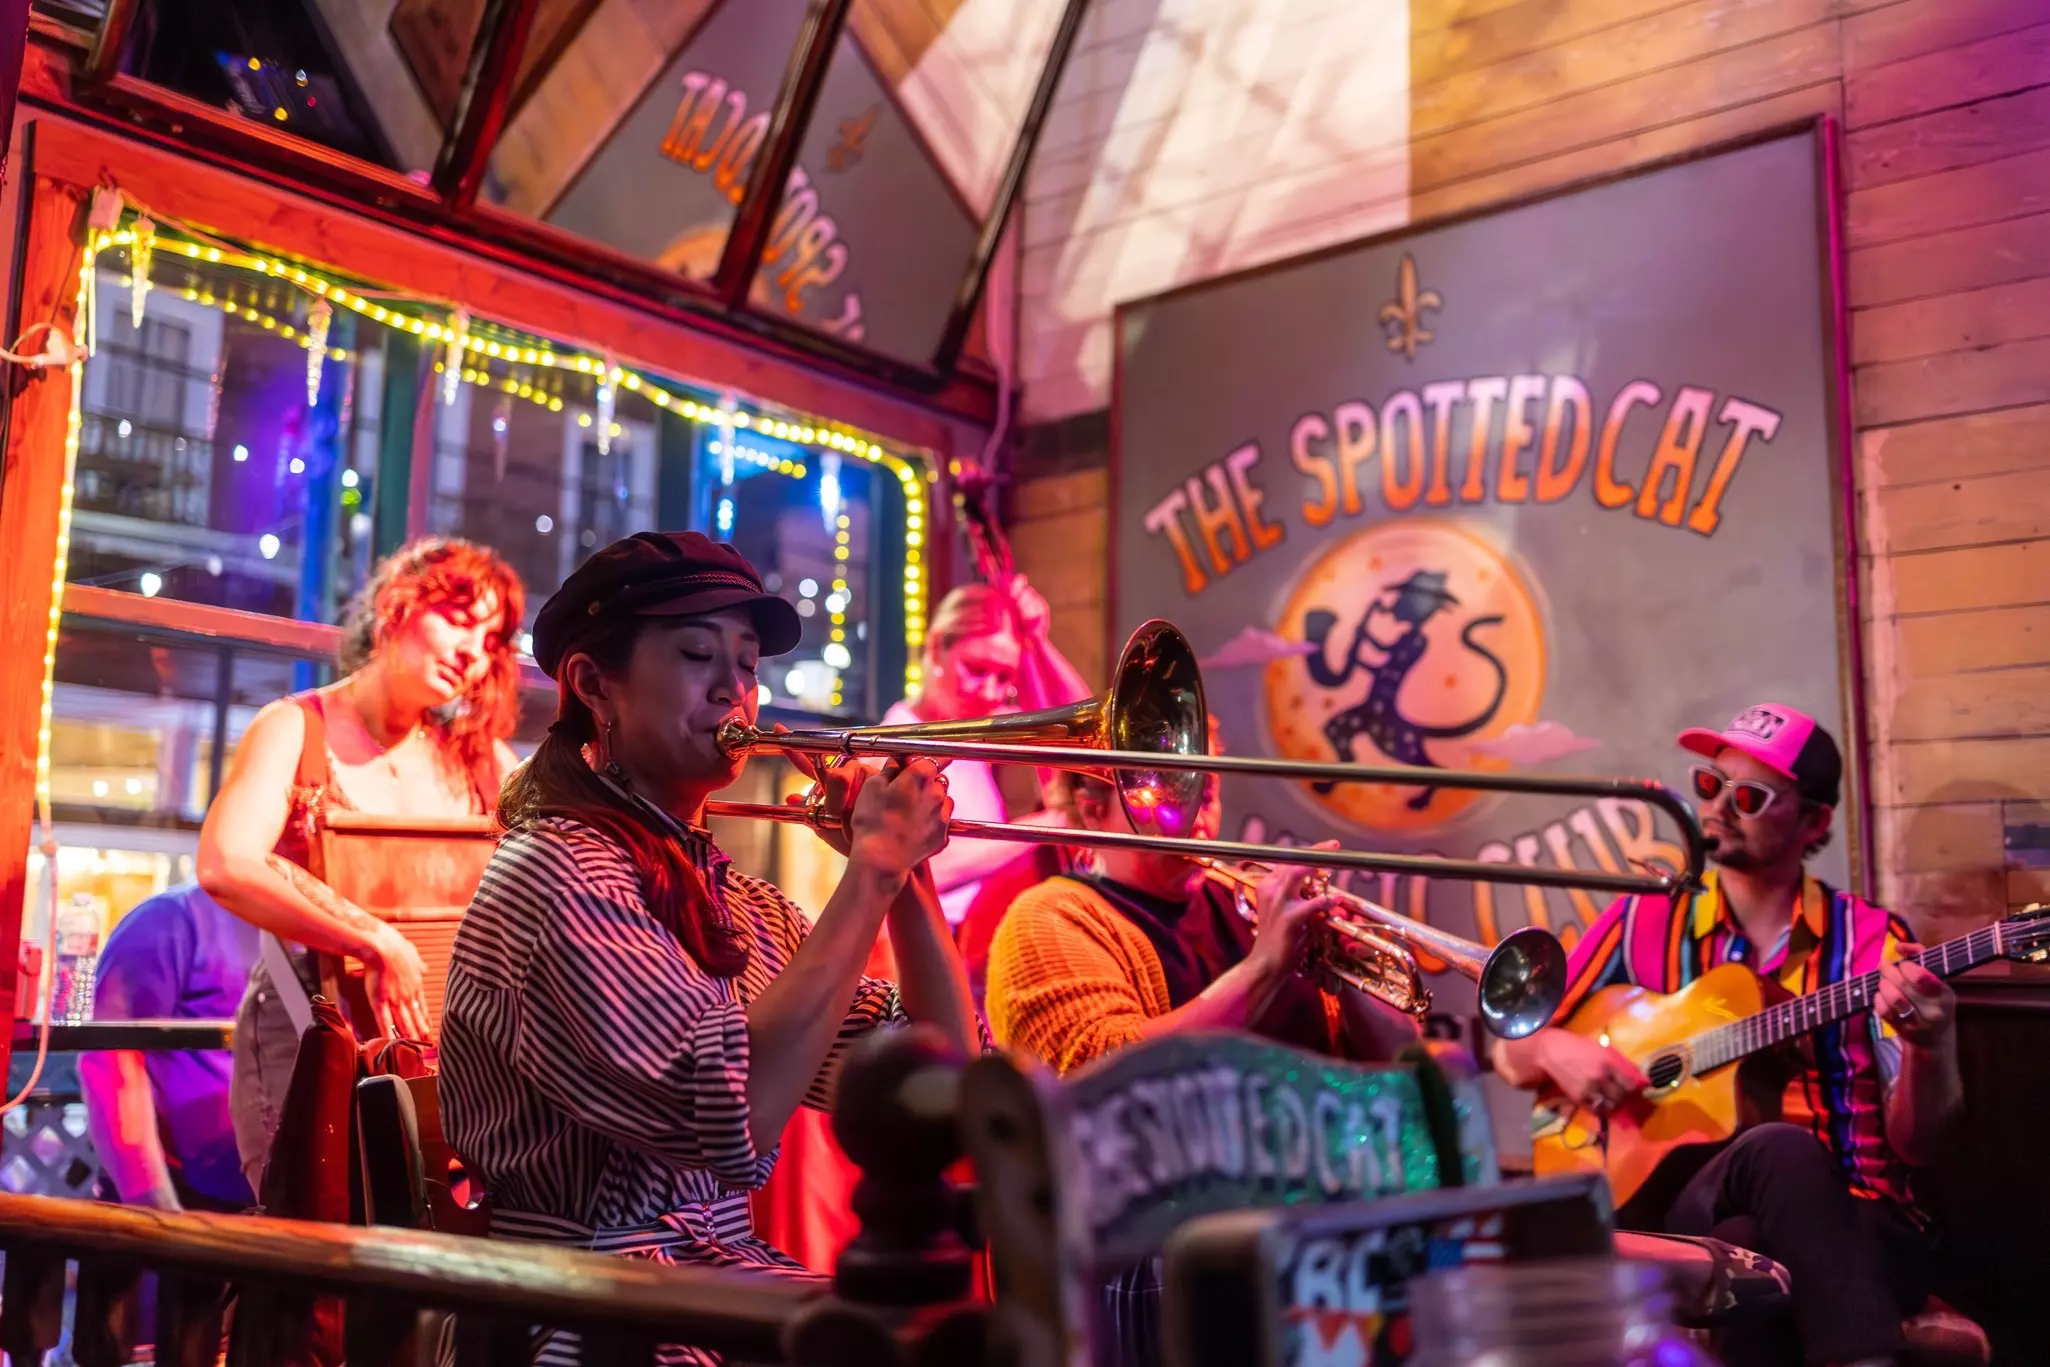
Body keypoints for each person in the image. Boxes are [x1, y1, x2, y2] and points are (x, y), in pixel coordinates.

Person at [437, 531, 982, 1367]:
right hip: (570, 1310)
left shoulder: (736, 900)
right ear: (593, 685)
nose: (734, 688)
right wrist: (871, 866)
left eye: (749, 664)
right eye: (697, 653)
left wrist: (909, 879)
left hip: (705, 1286)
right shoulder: (557, 869)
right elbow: (738, 1114)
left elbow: (938, 1080)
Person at [1491, 705, 1963, 1367]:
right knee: (1766, 1174)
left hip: (1862, 1221)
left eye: (1748, 796)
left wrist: (1929, 1046)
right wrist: (1552, 1048)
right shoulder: (1644, 920)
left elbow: (1918, 1143)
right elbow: (1508, 1045)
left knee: (1756, 1234)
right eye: (1710, 785)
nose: (1716, 807)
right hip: (1686, 1204)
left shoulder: (1873, 945)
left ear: (1815, 821)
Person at [197, 537, 526, 1196]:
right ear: (395, 606)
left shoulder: (481, 758)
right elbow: (226, 861)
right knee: (315, 1254)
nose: (472, 650)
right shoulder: (293, 726)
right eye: (461, 620)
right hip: (310, 1039)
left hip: (442, 1050)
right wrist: (372, 938)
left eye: (489, 638)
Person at [882, 580, 1089, 936]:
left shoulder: (965, 730)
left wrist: (1040, 643)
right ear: (935, 648)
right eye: (976, 669)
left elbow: (1082, 726)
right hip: (921, 946)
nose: (991, 693)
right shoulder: (895, 742)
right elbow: (923, 867)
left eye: (1004, 677)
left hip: (974, 937)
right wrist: (1046, 823)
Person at [80, 882, 259, 1214]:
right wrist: (152, 1201)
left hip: (282, 1195)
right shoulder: (169, 919)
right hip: (183, 1194)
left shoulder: (330, 933)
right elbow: (109, 1058)